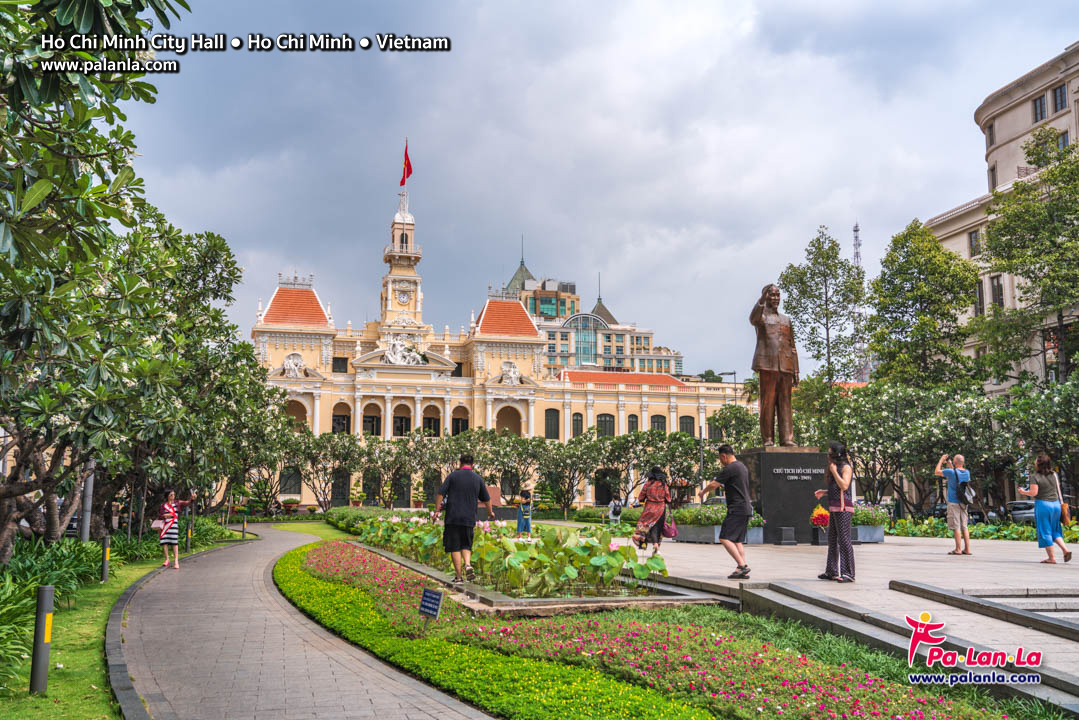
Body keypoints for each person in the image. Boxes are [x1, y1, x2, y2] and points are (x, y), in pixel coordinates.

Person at [750, 284, 799, 447]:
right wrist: (761, 300)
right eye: (771, 295)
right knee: (768, 403)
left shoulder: (786, 319)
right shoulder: (761, 317)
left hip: (785, 365)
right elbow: (753, 319)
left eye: (777, 295)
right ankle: (768, 439)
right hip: (767, 364)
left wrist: (796, 370)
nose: (775, 298)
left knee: (785, 403)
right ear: (765, 296)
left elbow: (792, 346)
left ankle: (787, 438)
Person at [435, 453, 494, 586]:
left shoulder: (452, 476)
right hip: (469, 518)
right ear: (472, 465)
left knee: (455, 547)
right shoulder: (477, 479)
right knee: (466, 544)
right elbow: (487, 499)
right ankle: (467, 564)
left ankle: (459, 577)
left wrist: (437, 510)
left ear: (459, 463)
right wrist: (491, 513)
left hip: (453, 517)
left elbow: (440, 494)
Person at [698, 445, 753, 579]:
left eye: (720, 458)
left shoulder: (730, 468)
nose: (720, 461)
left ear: (724, 456)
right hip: (745, 507)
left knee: (725, 537)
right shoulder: (742, 467)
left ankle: (742, 566)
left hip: (737, 508)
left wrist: (702, 492)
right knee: (737, 540)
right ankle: (741, 567)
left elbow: (713, 484)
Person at [1017, 454, 1072, 564]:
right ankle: (1065, 550)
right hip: (1056, 505)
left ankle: (1051, 558)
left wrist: (1023, 492)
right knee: (1055, 530)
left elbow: (1034, 493)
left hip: (1043, 505)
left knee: (1045, 530)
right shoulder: (1054, 475)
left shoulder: (1035, 476)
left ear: (1038, 463)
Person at [815, 441, 855, 582]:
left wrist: (833, 471)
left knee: (844, 540)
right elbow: (836, 488)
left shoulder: (846, 468)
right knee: (832, 540)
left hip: (843, 508)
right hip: (834, 507)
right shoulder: (835, 467)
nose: (828, 456)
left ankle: (848, 573)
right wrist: (824, 492)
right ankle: (831, 571)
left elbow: (844, 485)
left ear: (837, 454)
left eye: (830, 453)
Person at [934, 453, 972, 556]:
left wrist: (941, 460)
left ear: (955, 462)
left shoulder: (950, 472)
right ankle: (967, 549)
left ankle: (958, 549)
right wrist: (951, 465)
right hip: (963, 502)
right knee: (964, 526)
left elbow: (937, 471)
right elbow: (957, 477)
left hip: (953, 502)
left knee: (956, 526)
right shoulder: (967, 472)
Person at [632, 467, 671, 556]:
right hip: (661, 509)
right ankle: (657, 547)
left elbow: (641, 497)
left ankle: (645, 543)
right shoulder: (663, 485)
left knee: (644, 527)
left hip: (649, 508)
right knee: (658, 528)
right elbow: (668, 498)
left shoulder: (648, 484)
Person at [159, 489, 195, 569]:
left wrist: (191, 499)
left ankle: (176, 561)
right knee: (164, 542)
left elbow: (187, 503)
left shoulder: (177, 503)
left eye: (174, 494)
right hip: (165, 525)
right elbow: (160, 516)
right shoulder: (163, 505)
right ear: (167, 496)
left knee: (174, 543)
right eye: (171, 495)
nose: (173, 496)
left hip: (173, 525)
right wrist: (165, 516)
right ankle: (167, 559)